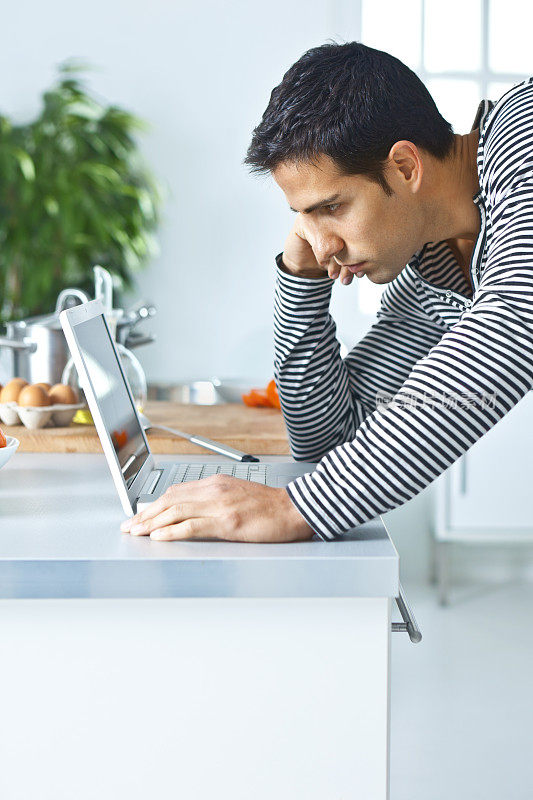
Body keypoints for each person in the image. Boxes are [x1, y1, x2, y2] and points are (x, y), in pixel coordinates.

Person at [121, 42, 533, 543]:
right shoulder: (434, 261)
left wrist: (300, 507)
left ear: (405, 167)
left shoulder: (523, 131)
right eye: (304, 215)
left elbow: (512, 322)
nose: (322, 244)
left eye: (331, 207)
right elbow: (330, 437)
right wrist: (300, 278)